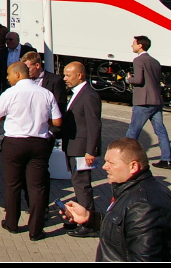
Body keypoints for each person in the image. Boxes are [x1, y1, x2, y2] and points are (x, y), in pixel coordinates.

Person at [60, 138, 171, 261]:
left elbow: (144, 258)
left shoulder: (143, 206)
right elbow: (123, 228)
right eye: (105, 161)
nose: (104, 167)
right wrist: (90, 218)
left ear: (133, 166)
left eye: (111, 163)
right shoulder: (134, 190)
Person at [0, 62, 62, 241]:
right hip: (39, 143)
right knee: (37, 187)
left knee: (13, 184)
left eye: (9, 74)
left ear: (18, 75)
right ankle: (36, 230)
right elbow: (58, 122)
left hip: (14, 143)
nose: (7, 78)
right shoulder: (46, 93)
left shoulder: (10, 93)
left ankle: (12, 223)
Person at [60, 61, 101, 238]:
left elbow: (94, 125)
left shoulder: (89, 95)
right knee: (77, 184)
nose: (65, 79)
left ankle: (89, 223)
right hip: (73, 147)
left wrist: (91, 150)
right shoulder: (77, 93)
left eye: (68, 75)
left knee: (82, 185)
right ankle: (78, 217)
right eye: (64, 75)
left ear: (80, 75)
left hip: (82, 149)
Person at [125, 36, 171, 168]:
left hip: (143, 102)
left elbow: (139, 80)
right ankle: (166, 159)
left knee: (132, 132)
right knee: (160, 131)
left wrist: (129, 79)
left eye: (134, 43)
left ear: (140, 45)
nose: (132, 46)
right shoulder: (155, 61)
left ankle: (125, 158)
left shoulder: (138, 60)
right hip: (156, 100)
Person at [0, 31, 31, 99]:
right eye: (6, 40)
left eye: (10, 39)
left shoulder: (27, 50)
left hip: (22, 83)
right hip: (8, 83)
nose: (8, 41)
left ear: (17, 40)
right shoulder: (3, 52)